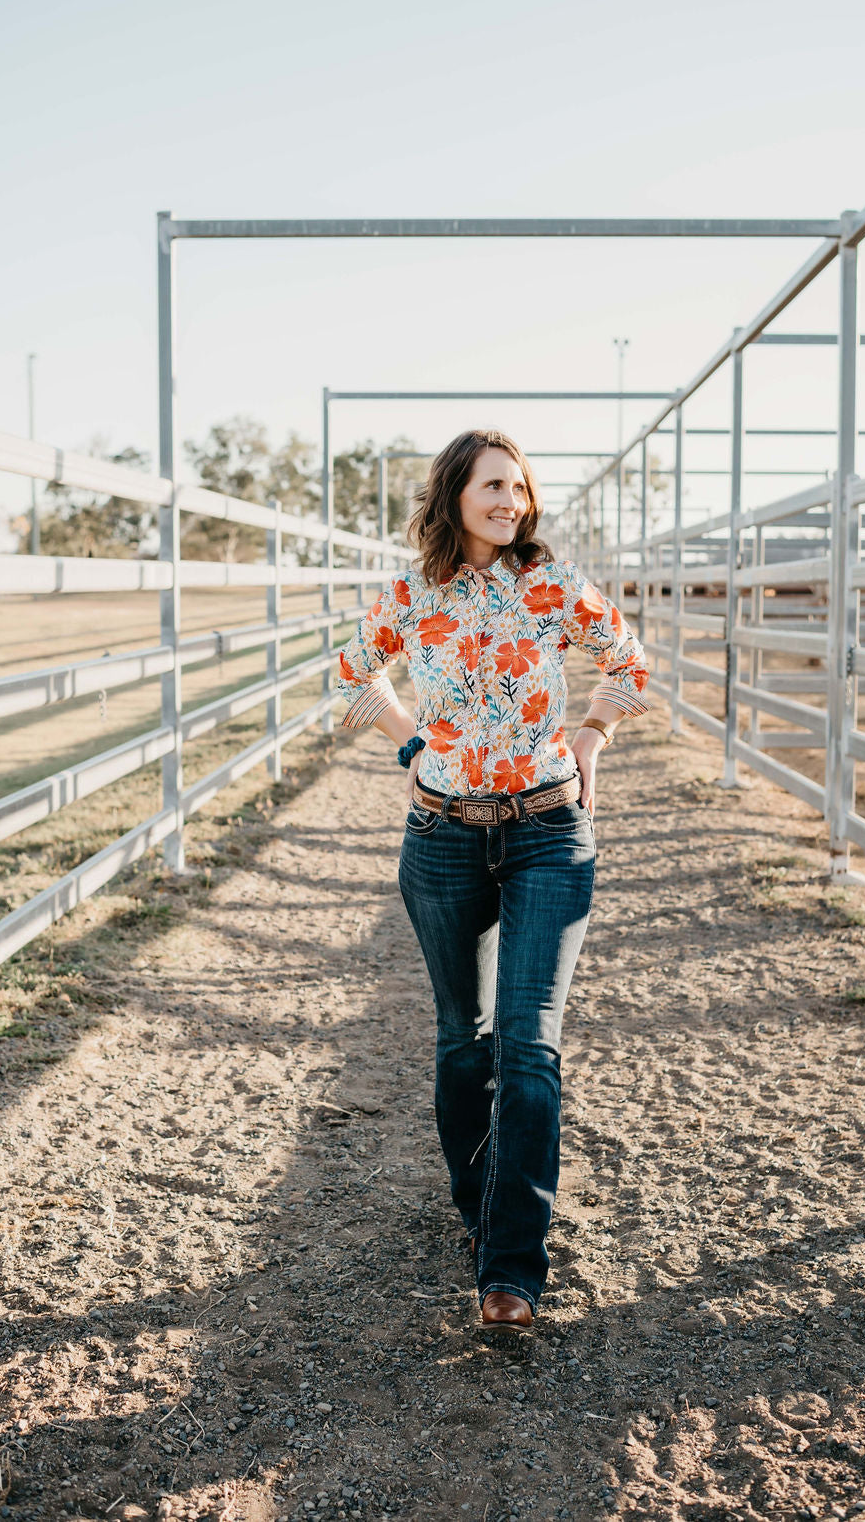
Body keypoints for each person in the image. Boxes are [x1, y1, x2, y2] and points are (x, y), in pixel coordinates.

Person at [333, 429, 649, 1332]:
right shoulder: (410, 593)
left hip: (550, 829)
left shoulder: (553, 584)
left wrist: (591, 732)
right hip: (441, 838)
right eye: (493, 486)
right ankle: (481, 1209)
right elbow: (354, 672)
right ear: (454, 494)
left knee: (529, 1043)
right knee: (463, 1040)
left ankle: (511, 1267)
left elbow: (628, 659)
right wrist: (408, 739)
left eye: (520, 486)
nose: (511, 500)